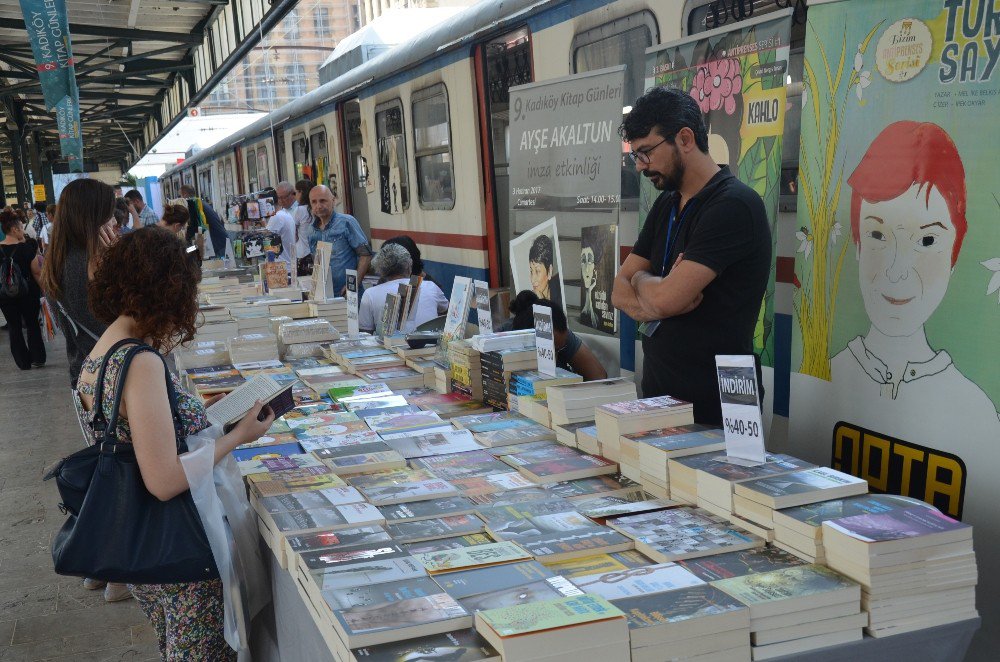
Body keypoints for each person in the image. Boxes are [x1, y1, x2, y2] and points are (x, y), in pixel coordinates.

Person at [75, 226, 274, 659]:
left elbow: (135, 435)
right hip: (179, 550)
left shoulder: (102, 350)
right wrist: (240, 435)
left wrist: (198, 416)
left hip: (144, 548)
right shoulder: (140, 362)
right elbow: (163, 479)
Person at [612, 87, 770, 424]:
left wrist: (643, 282)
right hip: (663, 392)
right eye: (635, 156)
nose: (641, 167)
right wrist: (654, 291)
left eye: (646, 153)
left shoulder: (734, 206)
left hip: (718, 399)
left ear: (685, 139)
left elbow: (665, 299)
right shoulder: (666, 204)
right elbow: (618, 290)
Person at [830, 121, 999, 431]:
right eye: (878, 234)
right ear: (857, 244)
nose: (896, 271)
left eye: (927, 241)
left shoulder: (978, 415)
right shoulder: (826, 379)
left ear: (954, 254)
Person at [41, 178, 119, 389]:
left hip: (85, 372)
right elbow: (124, 322)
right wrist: (117, 262)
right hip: (110, 377)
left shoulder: (58, 257)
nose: (114, 222)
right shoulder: (87, 263)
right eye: (109, 215)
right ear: (94, 218)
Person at [508, 291, 607, 381]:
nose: (555, 355)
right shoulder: (505, 342)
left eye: (560, 349)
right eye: (552, 349)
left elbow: (599, 377)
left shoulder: (559, 334)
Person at [358, 243, 448, 333]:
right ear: (409, 266)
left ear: (380, 270)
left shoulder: (370, 294)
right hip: (429, 344)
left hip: (390, 344)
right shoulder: (430, 286)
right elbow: (448, 314)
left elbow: (365, 333)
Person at [0, 209, 45, 369]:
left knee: (14, 327)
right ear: (14, 229)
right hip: (28, 293)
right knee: (32, 323)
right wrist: (45, 291)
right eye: (21, 227)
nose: (23, 230)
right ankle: (37, 357)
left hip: (5, 296)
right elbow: (37, 272)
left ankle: (23, 362)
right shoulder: (27, 248)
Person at [308, 185, 371, 296]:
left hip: (348, 294)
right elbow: (316, 263)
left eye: (323, 201)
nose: (318, 205)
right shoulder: (311, 231)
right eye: (314, 202)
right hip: (325, 295)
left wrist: (353, 284)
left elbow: (365, 255)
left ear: (333, 201)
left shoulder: (347, 222)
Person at [179, 184, 227, 257]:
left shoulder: (192, 204)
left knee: (217, 266)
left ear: (185, 195)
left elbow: (192, 227)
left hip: (216, 243)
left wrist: (185, 247)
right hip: (220, 240)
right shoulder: (200, 203)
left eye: (180, 196)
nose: (180, 199)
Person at [527, 234, 562, 308]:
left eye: (537, 271)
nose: (533, 280)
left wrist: (542, 303)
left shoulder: (561, 295)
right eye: (531, 271)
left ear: (549, 271)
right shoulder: (529, 300)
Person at [268, 181, 297, 266]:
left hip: (280, 265)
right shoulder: (285, 213)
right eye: (279, 198)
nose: (282, 201)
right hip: (288, 263)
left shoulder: (277, 216)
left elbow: (266, 242)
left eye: (284, 197)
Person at [293, 179, 314, 274]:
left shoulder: (299, 210)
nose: (295, 195)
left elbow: (293, 234)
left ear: (301, 192)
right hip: (315, 252)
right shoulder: (314, 208)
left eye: (296, 192)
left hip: (303, 253)